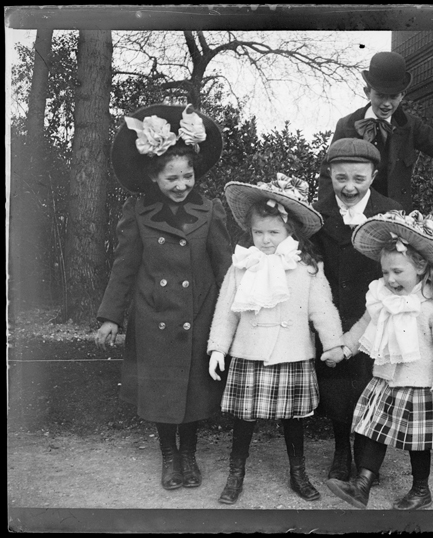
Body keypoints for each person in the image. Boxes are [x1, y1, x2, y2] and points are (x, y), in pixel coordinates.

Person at [95, 104, 232, 491]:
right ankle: (169, 456)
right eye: (172, 178)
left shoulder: (210, 211)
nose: (181, 184)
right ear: (154, 176)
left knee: (192, 391)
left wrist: (233, 315)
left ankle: (189, 454)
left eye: (187, 176)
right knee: (162, 391)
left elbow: (225, 268)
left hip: (198, 314)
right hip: (154, 314)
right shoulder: (138, 212)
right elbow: (124, 266)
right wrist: (111, 316)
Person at [207, 175, 346, 505]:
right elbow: (226, 310)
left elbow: (322, 308)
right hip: (249, 352)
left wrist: (333, 343)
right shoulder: (242, 265)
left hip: (291, 353)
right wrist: (217, 348)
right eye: (258, 232)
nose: (265, 240)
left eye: (273, 233)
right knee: (245, 418)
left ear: (290, 232)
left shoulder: (306, 267)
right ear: (250, 232)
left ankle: (298, 472)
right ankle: (235, 473)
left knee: (294, 418)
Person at [325, 210, 433, 510]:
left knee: (418, 443)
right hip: (387, 379)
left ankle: (420, 489)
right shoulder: (383, 298)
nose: (389, 279)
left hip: (421, 385)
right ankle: (361, 485)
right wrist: (345, 348)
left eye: (397, 272)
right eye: (385, 272)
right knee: (374, 432)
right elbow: (365, 324)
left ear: (421, 268)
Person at [311, 138, 402, 484]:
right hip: (333, 314)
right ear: (330, 175)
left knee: (371, 386)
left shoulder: (390, 212)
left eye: (359, 179)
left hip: (376, 317)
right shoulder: (319, 216)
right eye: (341, 178)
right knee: (336, 389)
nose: (349, 187)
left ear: (374, 175)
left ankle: (367, 460)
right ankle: (340, 452)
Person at [316, 51, 433, 211]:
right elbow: (328, 173)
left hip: (395, 217)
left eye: (393, 97)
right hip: (355, 213)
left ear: (402, 96)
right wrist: (327, 214)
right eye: (380, 95)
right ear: (367, 92)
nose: (386, 104)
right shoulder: (347, 125)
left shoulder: (410, 126)